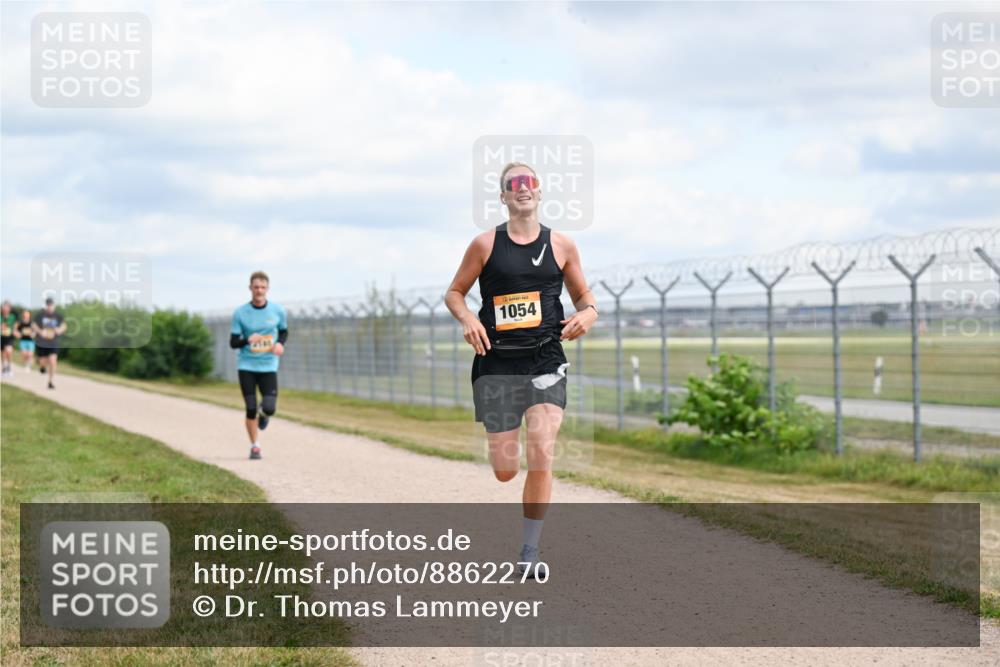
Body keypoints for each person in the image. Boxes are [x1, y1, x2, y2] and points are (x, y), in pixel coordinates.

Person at [445, 161, 599, 576]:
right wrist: (469, 319)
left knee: (542, 448)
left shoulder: (562, 245)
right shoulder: (485, 245)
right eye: (514, 184)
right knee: (504, 469)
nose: (523, 188)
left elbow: (584, 296)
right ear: (504, 196)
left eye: (530, 182)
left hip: (545, 357)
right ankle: (504, 459)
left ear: (540, 191)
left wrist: (589, 314)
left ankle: (529, 553)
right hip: (496, 363)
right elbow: (455, 293)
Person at [230, 271, 288, 460]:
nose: (259, 290)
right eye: (256, 287)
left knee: (269, 407)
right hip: (246, 365)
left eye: (263, 287)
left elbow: (283, 332)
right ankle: (255, 446)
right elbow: (233, 342)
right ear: (250, 288)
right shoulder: (240, 313)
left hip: (269, 365)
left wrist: (280, 344)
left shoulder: (278, 310)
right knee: (251, 407)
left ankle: (265, 415)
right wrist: (247, 339)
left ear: (267, 289)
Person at [33, 297, 66, 389]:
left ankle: (50, 382)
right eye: (48, 305)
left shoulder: (58, 316)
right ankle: (42, 366)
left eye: (51, 305)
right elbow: (34, 325)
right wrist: (40, 331)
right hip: (42, 342)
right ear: (46, 306)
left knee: (53, 361)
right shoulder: (40, 315)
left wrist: (59, 330)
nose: (50, 307)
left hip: (53, 342)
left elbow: (64, 325)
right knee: (42, 361)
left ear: (54, 306)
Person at [1, 301, 15, 377]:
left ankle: (9, 367)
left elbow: (12, 325)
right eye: (4, 307)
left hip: (9, 337)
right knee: (2, 353)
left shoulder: (12, 317)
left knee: (8, 351)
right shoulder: (0, 317)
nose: (5, 309)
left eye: (7, 307)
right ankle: (3, 368)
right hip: (1, 337)